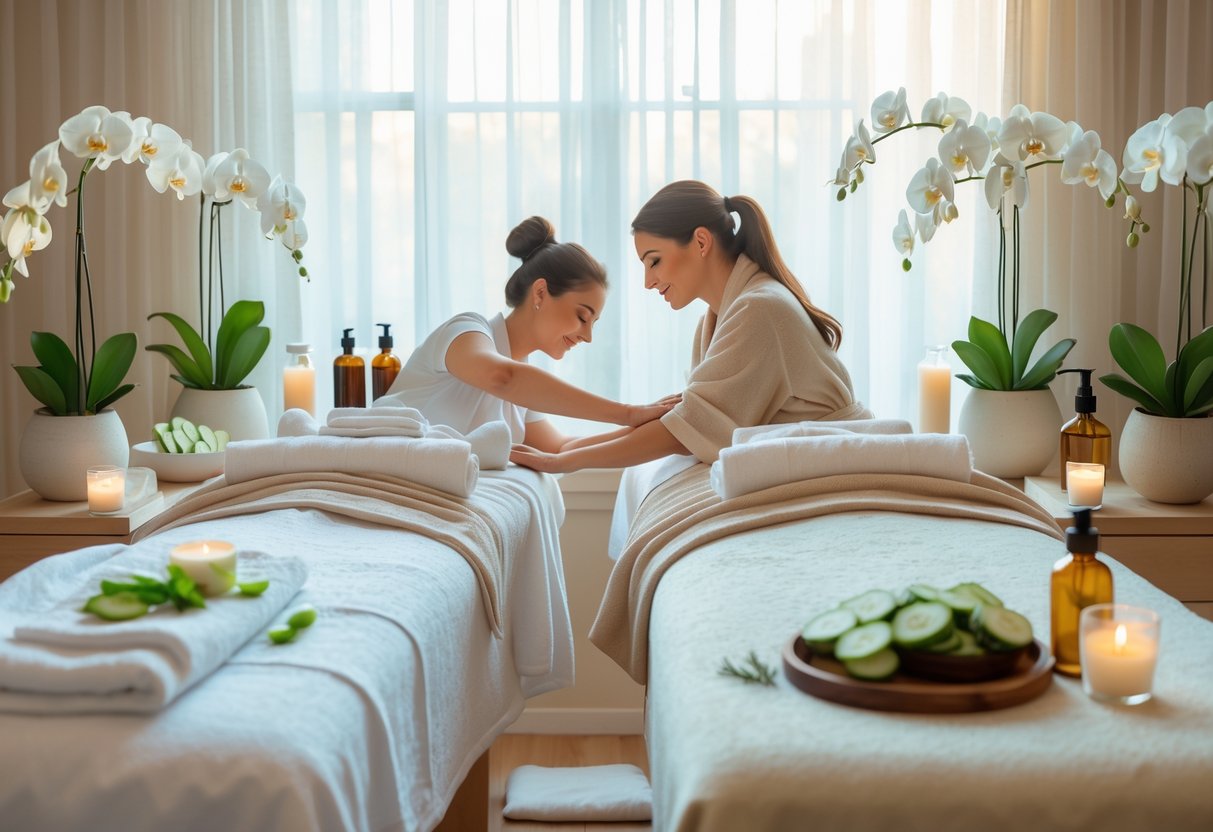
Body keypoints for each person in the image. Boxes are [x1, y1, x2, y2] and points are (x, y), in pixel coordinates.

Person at [510, 180, 871, 473]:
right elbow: (693, 420)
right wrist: (570, 449)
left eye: (654, 261)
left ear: (700, 242)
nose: (647, 282)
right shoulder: (718, 319)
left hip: (838, 467)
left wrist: (569, 460)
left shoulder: (760, 310)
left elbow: (687, 430)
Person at [379, 215, 677, 451]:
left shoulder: (523, 387)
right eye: (582, 316)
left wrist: (654, 425)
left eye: (593, 323)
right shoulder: (465, 330)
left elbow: (561, 447)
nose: (587, 337)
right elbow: (502, 378)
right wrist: (626, 412)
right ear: (541, 293)